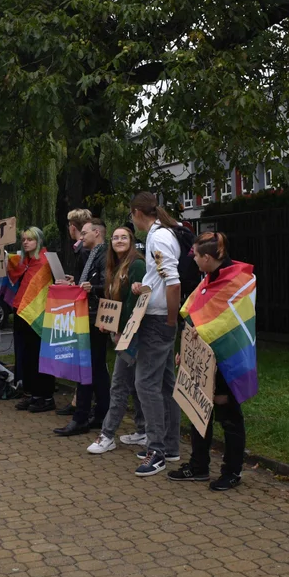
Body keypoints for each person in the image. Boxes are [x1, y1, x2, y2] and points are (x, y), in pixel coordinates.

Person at [167, 232, 248, 491]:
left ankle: (232, 471)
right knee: (198, 410)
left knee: (228, 414)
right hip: (202, 355)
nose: (193, 260)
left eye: (196, 256)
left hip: (227, 358)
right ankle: (199, 465)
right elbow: (193, 311)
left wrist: (198, 336)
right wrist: (187, 346)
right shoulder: (210, 277)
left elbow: (229, 321)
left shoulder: (236, 280)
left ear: (209, 257)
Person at [127, 192, 182, 476]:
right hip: (160, 316)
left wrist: (171, 320)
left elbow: (173, 283)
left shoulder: (158, 238)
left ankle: (156, 449)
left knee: (145, 383)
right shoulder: (160, 234)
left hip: (159, 319)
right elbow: (160, 278)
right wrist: (143, 284)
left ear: (138, 212)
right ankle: (170, 446)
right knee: (164, 383)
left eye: (131, 215)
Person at [87, 225, 148, 454]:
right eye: (115, 237)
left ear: (131, 241)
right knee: (133, 385)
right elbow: (114, 301)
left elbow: (135, 303)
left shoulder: (137, 265)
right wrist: (109, 324)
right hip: (122, 333)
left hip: (132, 335)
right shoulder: (115, 265)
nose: (119, 240)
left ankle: (108, 434)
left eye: (124, 237)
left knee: (119, 385)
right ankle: (142, 430)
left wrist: (124, 330)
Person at [55, 219, 109, 436]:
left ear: (96, 233)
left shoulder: (103, 255)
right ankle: (101, 413)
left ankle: (81, 417)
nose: (81, 237)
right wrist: (76, 283)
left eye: (84, 233)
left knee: (87, 366)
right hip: (91, 315)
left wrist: (91, 288)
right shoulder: (95, 254)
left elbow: (107, 284)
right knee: (96, 367)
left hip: (94, 317)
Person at [10, 227, 58, 413]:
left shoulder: (46, 261)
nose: (25, 242)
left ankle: (45, 396)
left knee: (41, 356)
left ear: (38, 240)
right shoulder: (25, 261)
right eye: (23, 239)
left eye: (30, 239)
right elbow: (5, 262)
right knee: (27, 356)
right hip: (23, 313)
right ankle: (32, 394)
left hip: (40, 314)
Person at [58, 208, 94, 416]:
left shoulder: (83, 250)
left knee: (85, 358)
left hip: (85, 311)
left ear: (73, 227)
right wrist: (76, 281)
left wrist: (78, 285)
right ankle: (78, 400)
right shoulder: (82, 249)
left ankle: (82, 403)